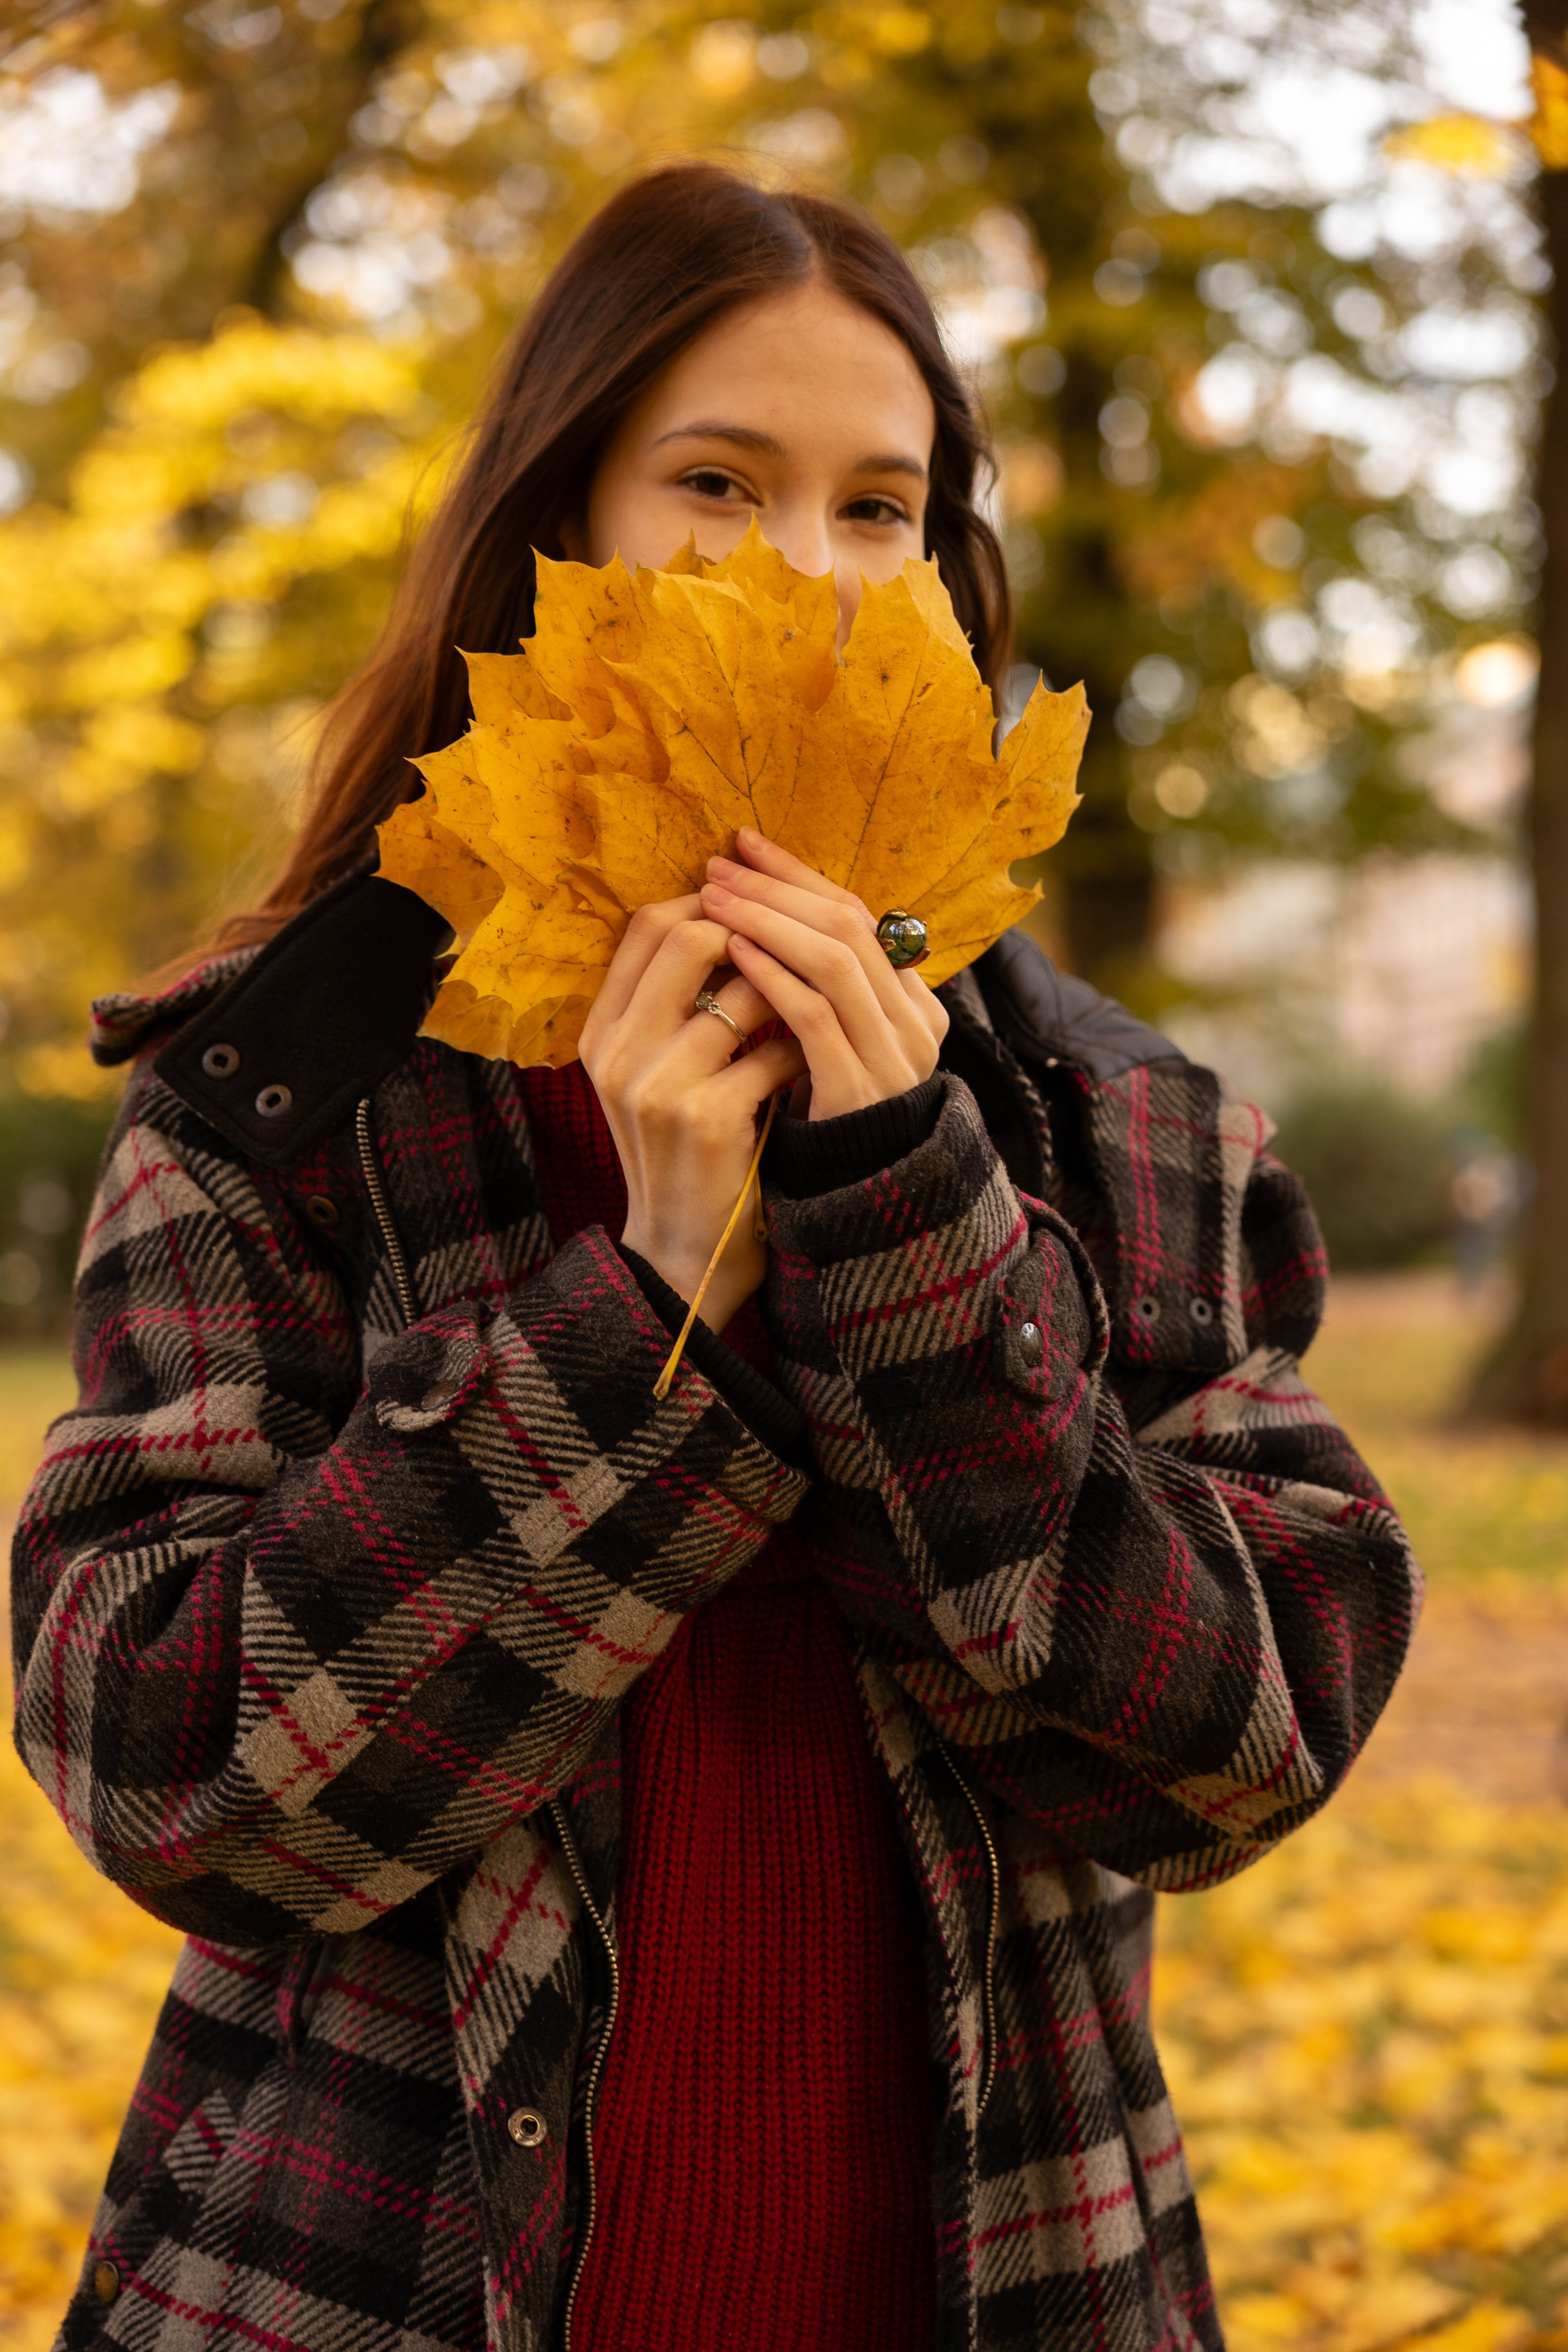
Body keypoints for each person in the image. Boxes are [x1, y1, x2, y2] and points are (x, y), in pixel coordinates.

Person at [11, 162, 1419, 2352]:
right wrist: (643, 1307)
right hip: (362, 2280)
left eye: (880, 510)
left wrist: (903, 1220)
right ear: (555, 532)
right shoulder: (290, 1090)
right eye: (716, 484)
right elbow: (170, 1778)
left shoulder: (1122, 1124)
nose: (803, 575)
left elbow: (1240, 1748)